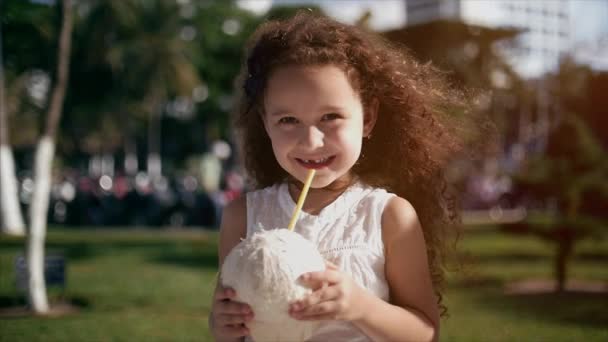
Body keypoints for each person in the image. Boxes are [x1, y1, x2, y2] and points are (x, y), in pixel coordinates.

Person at [210, 12, 478, 342]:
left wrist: (358, 306)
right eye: (288, 120)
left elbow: (425, 331)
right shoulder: (243, 217)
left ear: (368, 118)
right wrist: (222, 326)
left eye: (330, 117)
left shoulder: (389, 217)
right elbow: (231, 324)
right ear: (265, 122)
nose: (311, 141)